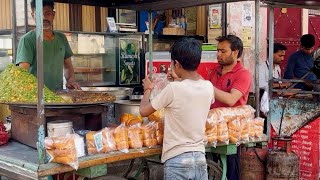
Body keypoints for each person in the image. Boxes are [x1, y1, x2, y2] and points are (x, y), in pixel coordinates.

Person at [139, 38, 214, 180]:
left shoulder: (173, 89)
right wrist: (178, 79)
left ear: (177, 64)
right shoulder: (208, 87)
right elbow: (191, 89)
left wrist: (148, 89)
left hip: (177, 160)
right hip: (199, 158)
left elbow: (143, 111)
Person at [207, 35, 252, 180]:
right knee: (211, 169)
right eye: (218, 51)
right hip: (212, 128)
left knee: (231, 171)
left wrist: (207, 86)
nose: (218, 55)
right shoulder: (214, 71)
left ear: (235, 52)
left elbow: (231, 100)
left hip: (232, 131)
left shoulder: (243, 74)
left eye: (223, 51)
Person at [16, 0, 80, 91]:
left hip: (58, 95)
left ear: (53, 15)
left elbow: (68, 65)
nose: (43, 17)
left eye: (47, 13)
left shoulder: (61, 38)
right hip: (36, 98)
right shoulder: (27, 40)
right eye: (38, 13)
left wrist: (71, 80)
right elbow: (23, 73)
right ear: (33, 15)